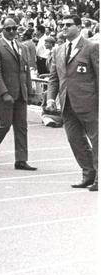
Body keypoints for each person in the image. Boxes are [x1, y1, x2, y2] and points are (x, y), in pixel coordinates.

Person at [47, 15, 98, 191]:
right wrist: (51, 98)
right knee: (75, 140)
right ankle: (88, 173)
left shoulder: (91, 47)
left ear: (78, 26)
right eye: (62, 25)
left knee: (96, 140)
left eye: (68, 25)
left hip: (89, 102)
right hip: (67, 103)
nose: (64, 27)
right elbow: (54, 78)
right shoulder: (58, 50)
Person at [0, 18, 38, 171]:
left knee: (21, 126)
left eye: (14, 28)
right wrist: (4, 93)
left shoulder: (22, 47)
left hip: (20, 93)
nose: (12, 31)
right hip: (4, 93)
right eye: (8, 29)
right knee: (4, 124)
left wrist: (30, 90)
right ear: (2, 30)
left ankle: (21, 160)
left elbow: (26, 71)